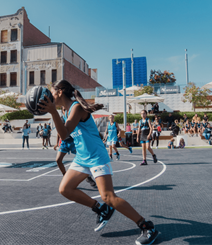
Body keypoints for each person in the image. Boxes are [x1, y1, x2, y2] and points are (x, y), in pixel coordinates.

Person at [39, 80, 159, 245]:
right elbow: (64, 133)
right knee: (65, 189)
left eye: (52, 92)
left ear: (60, 92)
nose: (50, 96)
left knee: (108, 196)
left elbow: (65, 134)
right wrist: (54, 113)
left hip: (96, 156)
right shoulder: (66, 112)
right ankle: (101, 208)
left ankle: (146, 226)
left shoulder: (76, 108)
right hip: (82, 158)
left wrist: (52, 113)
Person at [54, 107, 97, 188]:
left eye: (67, 109)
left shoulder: (72, 118)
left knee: (84, 159)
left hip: (73, 141)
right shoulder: (61, 119)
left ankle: (88, 177)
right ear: (62, 111)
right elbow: (58, 132)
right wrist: (57, 143)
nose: (66, 110)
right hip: (64, 142)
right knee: (58, 160)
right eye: (64, 109)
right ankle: (65, 176)